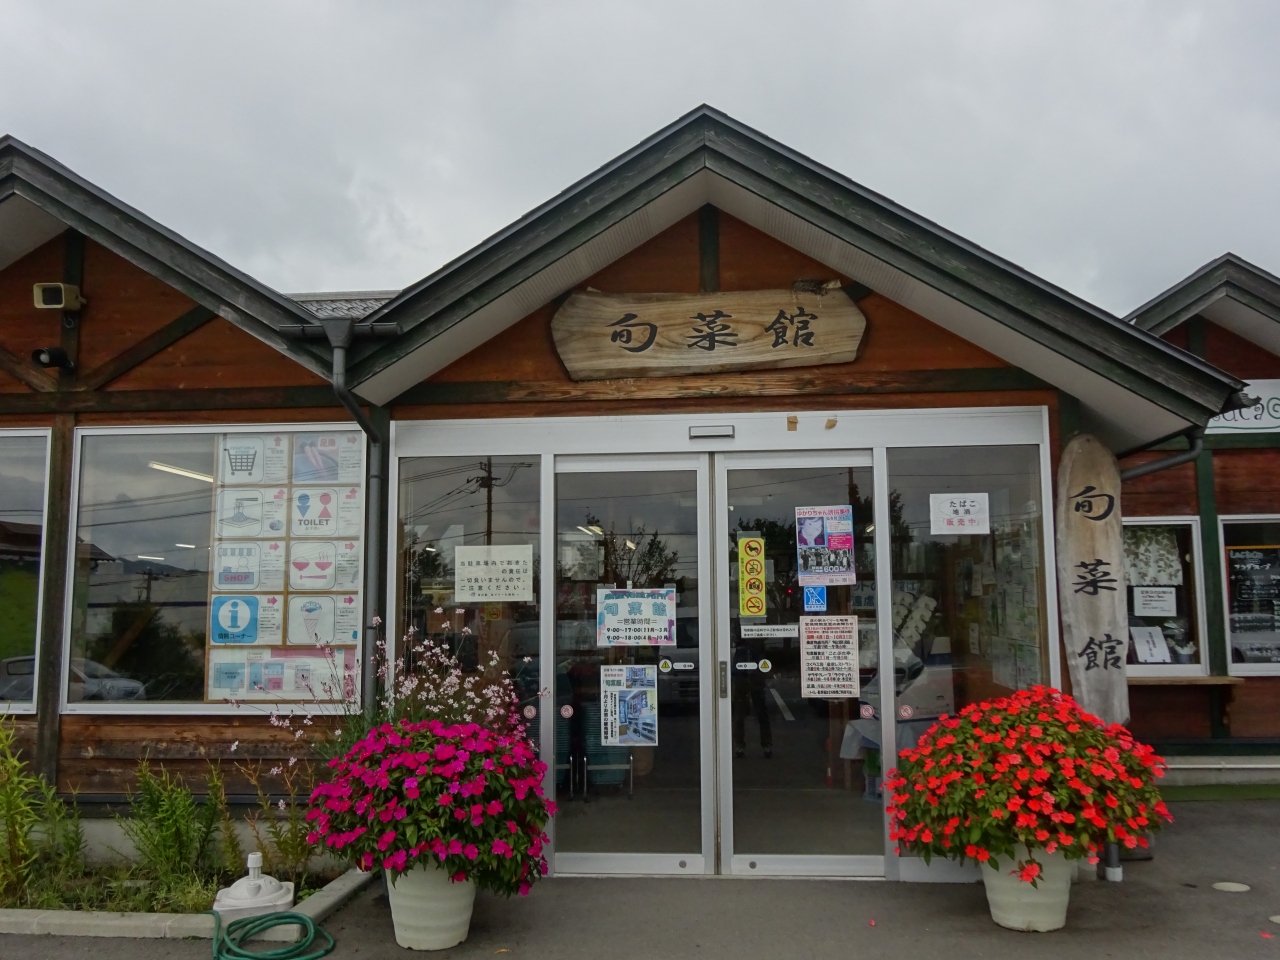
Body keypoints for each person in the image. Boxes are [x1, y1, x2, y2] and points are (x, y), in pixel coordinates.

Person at [732, 629, 772, 759]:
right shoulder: (738, 629)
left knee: (761, 711)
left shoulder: (757, 632)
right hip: (741, 675)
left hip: (755, 674)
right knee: (740, 712)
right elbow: (735, 638)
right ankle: (739, 745)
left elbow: (763, 638)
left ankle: (766, 745)